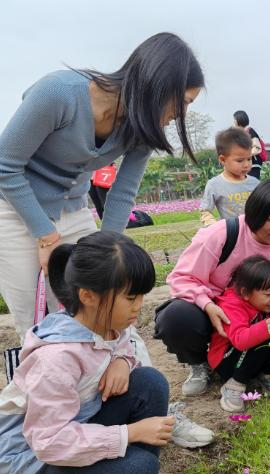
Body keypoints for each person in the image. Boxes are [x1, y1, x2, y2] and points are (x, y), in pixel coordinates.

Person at [0, 32, 213, 450]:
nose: (179, 115)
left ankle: (156, 411)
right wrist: (44, 232)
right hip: (14, 207)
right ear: (157, 85)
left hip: (72, 205)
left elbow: (123, 194)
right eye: (182, 103)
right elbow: (6, 165)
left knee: (114, 302)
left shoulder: (140, 128)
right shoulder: (59, 93)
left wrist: (110, 255)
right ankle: (40, 437)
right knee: (39, 324)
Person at [0, 232, 185, 474]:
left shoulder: (105, 323)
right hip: (33, 458)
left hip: (77, 421)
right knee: (140, 471)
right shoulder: (57, 359)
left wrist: (122, 360)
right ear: (87, 295)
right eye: (131, 297)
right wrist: (129, 434)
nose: (139, 306)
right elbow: (49, 442)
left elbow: (121, 344)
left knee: (150, 382)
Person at [155, 178, 270, 397]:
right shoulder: (221, 235)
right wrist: (207, 305)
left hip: (254, 316)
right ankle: (199, 364)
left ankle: (264, 367)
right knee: (176, 318)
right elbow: (181, 278)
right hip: (214, 312)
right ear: (255, 213)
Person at [209, 256, 270, 412]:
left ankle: (268, 375)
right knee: (267, 332)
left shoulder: (264, 303)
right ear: (245, 293)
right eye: (268, 294)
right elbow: (240, 340)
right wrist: (269, 323)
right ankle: (234, 384)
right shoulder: (232, 305)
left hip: (247, 357)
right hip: (226, 361)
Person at [199, 127, 259, 226]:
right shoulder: (215, 185)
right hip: (231, 235)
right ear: (223, 160)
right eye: (240, 160)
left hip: (254, 234)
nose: (246, 164)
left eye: (249, 159)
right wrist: (215, 227)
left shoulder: (255, 183)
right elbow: (205, 211)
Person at [233, 110, 267, 179]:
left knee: (252, 186)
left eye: (234, 120)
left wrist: (244, 156)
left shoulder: (250, 131)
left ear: (237, 121)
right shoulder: (243, 133)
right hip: (248, 166)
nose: (233, 123)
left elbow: (257, 148)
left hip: (253, 166)